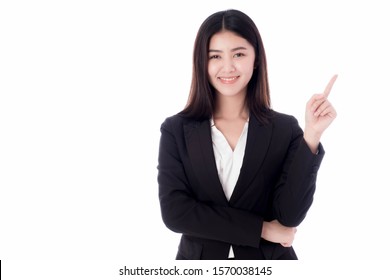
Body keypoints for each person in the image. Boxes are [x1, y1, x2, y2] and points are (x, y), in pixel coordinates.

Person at [157, 9, 337, 260]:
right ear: (202, 62)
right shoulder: (176, 130)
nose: (228, 67)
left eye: (239, 54)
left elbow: (289, 216)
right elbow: (176, 213)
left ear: (256, 59)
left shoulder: (284, 129)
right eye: (215, 56)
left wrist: (312, 135)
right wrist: (261, 229)